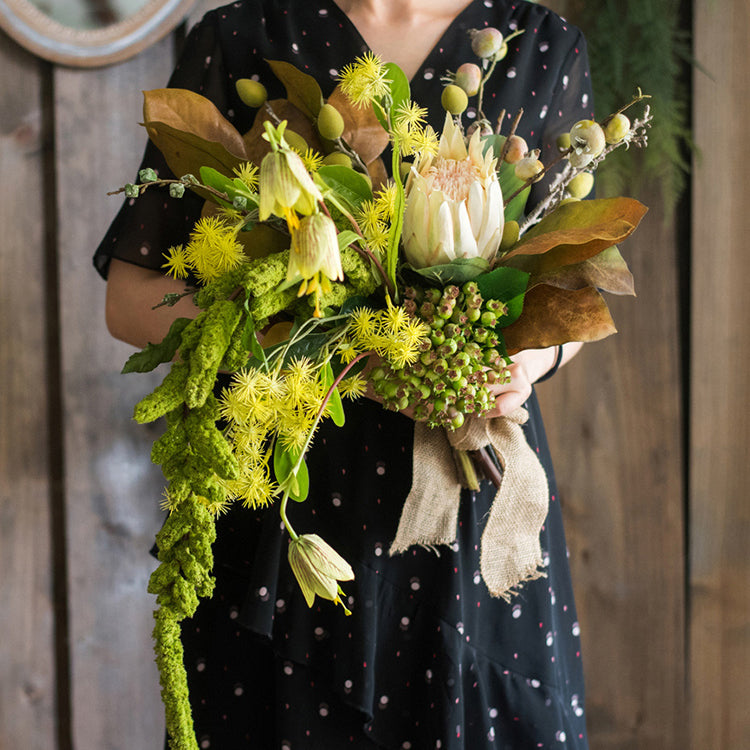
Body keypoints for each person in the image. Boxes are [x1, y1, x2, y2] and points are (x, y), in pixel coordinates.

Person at [96, 1, 592, 747]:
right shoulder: (245, 37)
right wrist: (303, 338)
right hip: (285, 491)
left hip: (471, 497)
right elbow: (130, 301)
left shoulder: (539, 47)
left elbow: (576, 293)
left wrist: (532, 358)